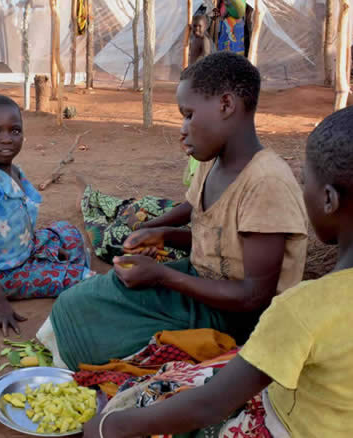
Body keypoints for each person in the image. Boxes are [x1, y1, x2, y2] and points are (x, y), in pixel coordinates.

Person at [83, 102, 353, 438]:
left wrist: (108, 428)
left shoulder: (303, 308)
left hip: (289, 428)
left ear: (329, 199)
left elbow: (209, 406)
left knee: (160, 395)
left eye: (307, 181)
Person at [39, 52, 308, 370]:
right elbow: (207, 228)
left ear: (225, 105)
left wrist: (162, 275)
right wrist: (159, 232)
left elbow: (253, 298)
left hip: (238, 320)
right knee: (79, 301)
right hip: (201, 284)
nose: (182, 129)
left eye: (189, 114)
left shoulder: (266, 183)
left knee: (95, 335)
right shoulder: (214, 164)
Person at [0, 95, 92, 336]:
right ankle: (61, 273)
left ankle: (53, 268)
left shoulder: (10, 169)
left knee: (68, 231)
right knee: (84, 277)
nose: (7, 138)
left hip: (21, 250)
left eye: (14, 130)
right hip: (0, 272)